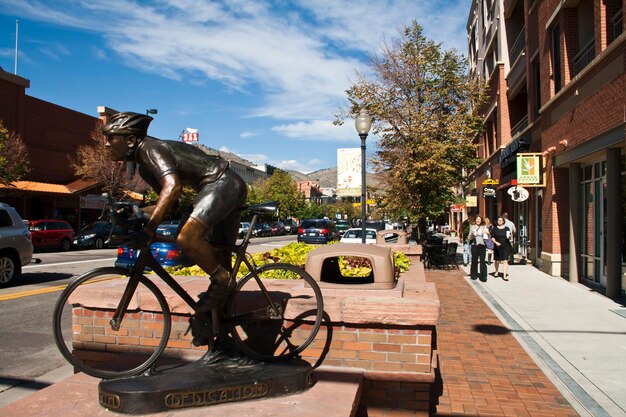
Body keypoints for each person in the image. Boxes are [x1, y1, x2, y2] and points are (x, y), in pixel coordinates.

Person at [102, 112, 248, 344]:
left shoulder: (151, 150)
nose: (106, 144)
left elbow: (172, 188)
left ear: (130, 140)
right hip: (215, 188)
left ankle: (222, 280)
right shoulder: (143, 168)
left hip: (223, 183)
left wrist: (149, 229)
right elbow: (171, 203)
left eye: (111, 138)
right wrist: (138, 211)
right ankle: (219, 332)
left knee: (187, 236)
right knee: (219, 254)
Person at [468, 215, 490, 282]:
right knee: (474, 260)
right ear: (475, 220)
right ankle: (473, 275)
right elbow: (469, 237)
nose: (478, 220)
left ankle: (483, 276)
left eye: (479, 219)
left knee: (482, 261)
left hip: (482, 245)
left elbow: (488, 237)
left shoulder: (484, 227)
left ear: (481, 220)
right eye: (477, 219)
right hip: (475, 245)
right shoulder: (472, 227)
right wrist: (471, 236)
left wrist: (488, 234)